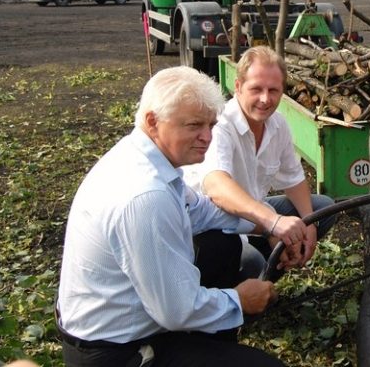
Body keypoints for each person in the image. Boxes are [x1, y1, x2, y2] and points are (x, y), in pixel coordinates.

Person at [56, 66, 285, 367]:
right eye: (194, 126)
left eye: (211, 125)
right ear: (153, 121)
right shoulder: (146, 196)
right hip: (116, 351)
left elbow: (200, 210)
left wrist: (268, 224)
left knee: (221, 245)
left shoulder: (143, 158)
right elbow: (177, 310)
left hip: (131, 322)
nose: (207, 137)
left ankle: (210, 344)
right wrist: (239, 300)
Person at [185, 46, 336, 280]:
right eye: (256, 89)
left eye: (273, 90)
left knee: (321, 210)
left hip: (255, 215)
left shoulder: (278, 124)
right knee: (250, 261)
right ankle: (241, 289)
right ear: (238, 87)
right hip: (210, 224)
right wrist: (272, 225)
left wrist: (309, 226)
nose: (265, 99)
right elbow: (216, 188)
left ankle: (267, 274)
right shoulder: (221, 124)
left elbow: (294, 179)